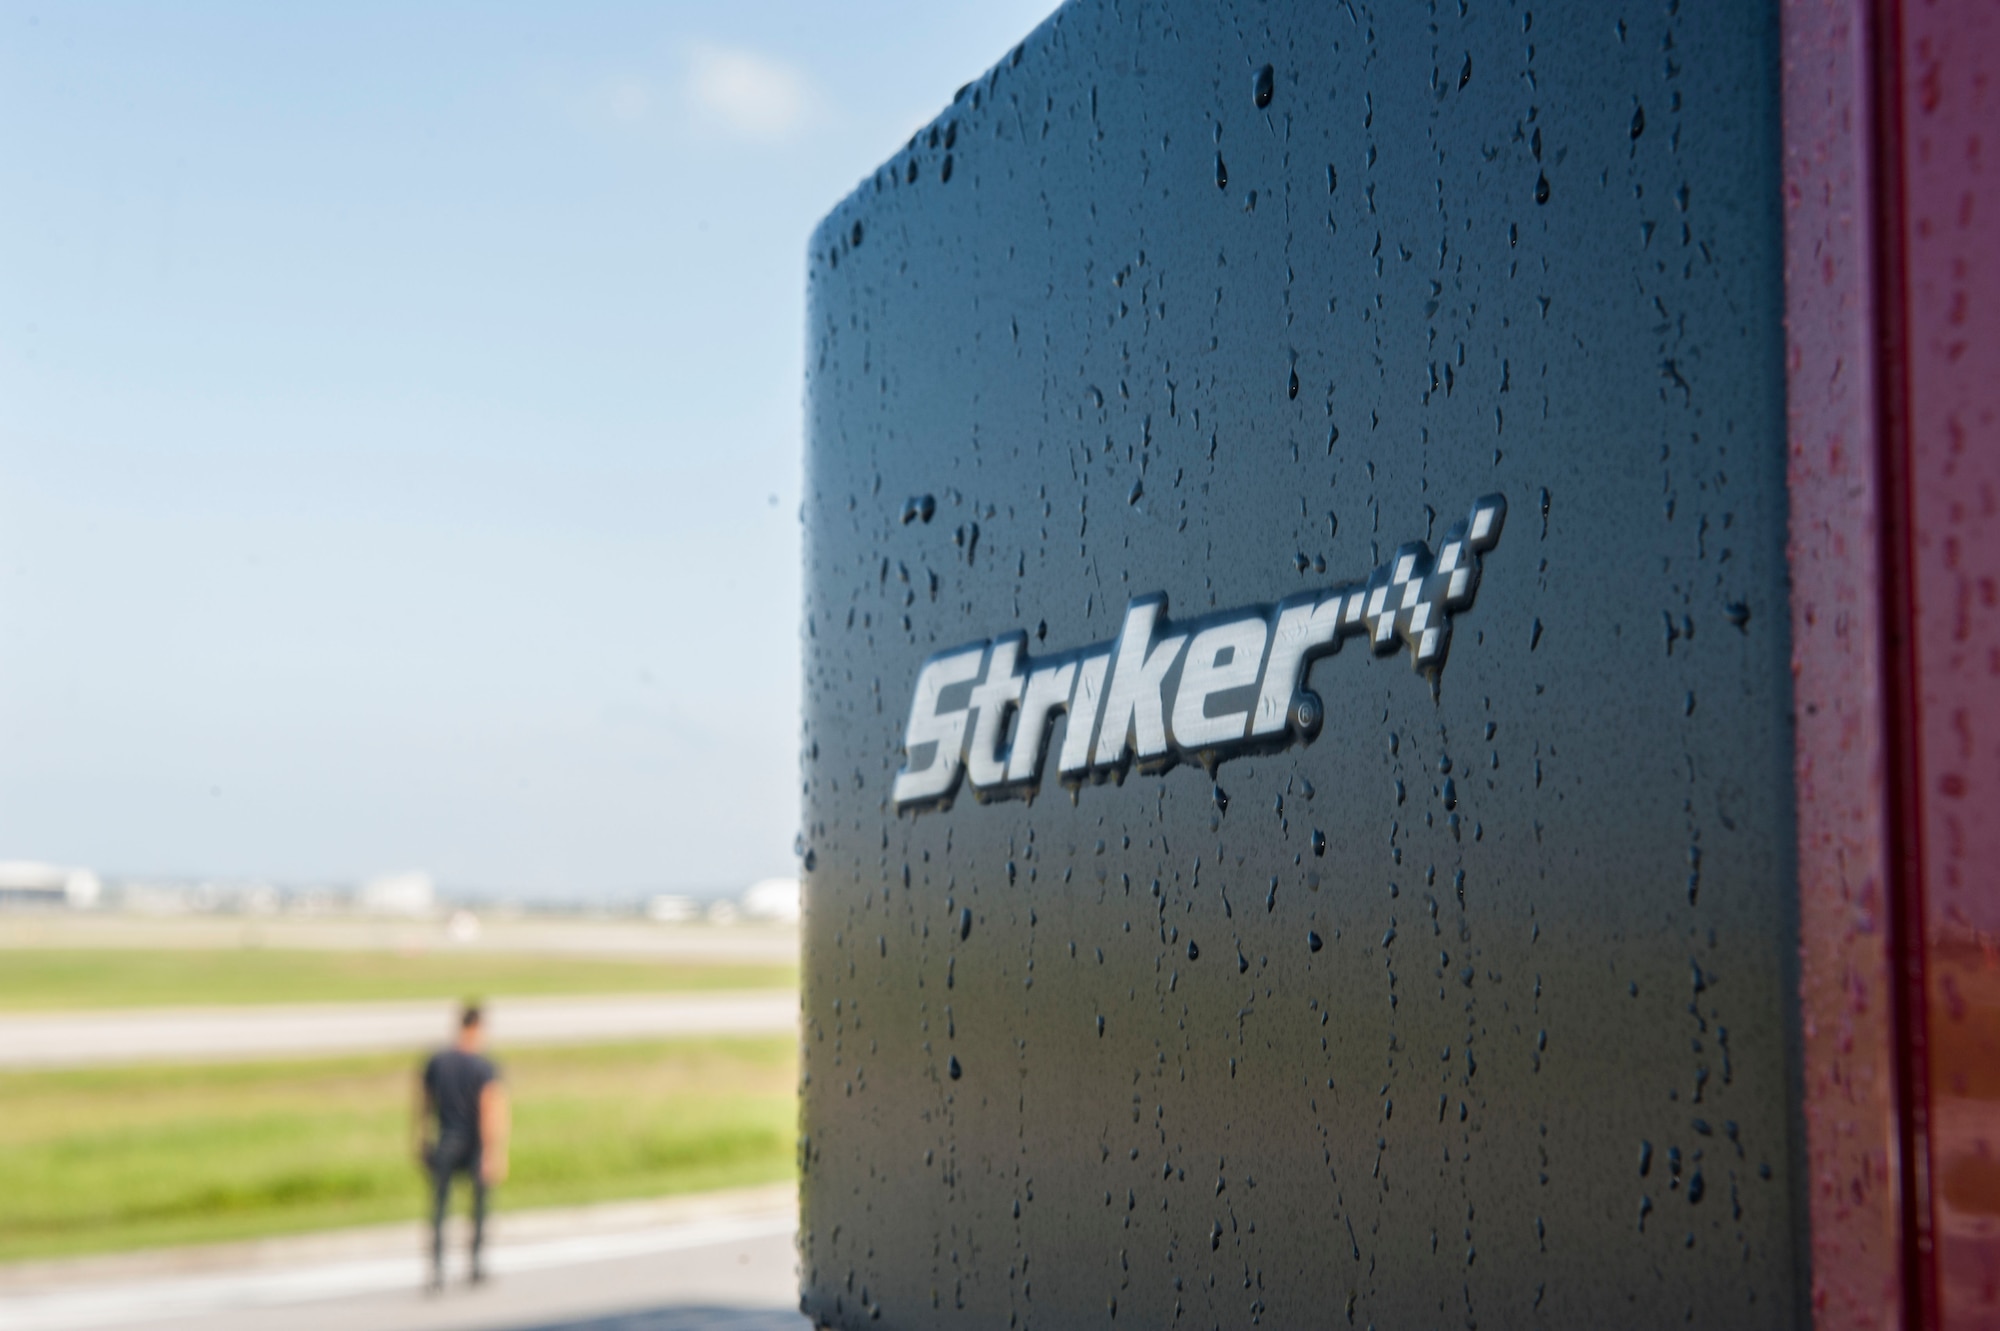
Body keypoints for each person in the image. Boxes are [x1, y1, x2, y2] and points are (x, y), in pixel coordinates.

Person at [414, 1001, 509, 1292]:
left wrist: (420, 1138)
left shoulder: (437, 1061)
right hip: (473, 1144)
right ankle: (476, 1264)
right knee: (478, 1206)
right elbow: (489, 1109)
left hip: (444, 1139)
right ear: (477, 1027)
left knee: (440, 1206)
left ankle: (438, 1267)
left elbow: (423, 1104)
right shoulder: (485, 1066)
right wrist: (493, 1152)